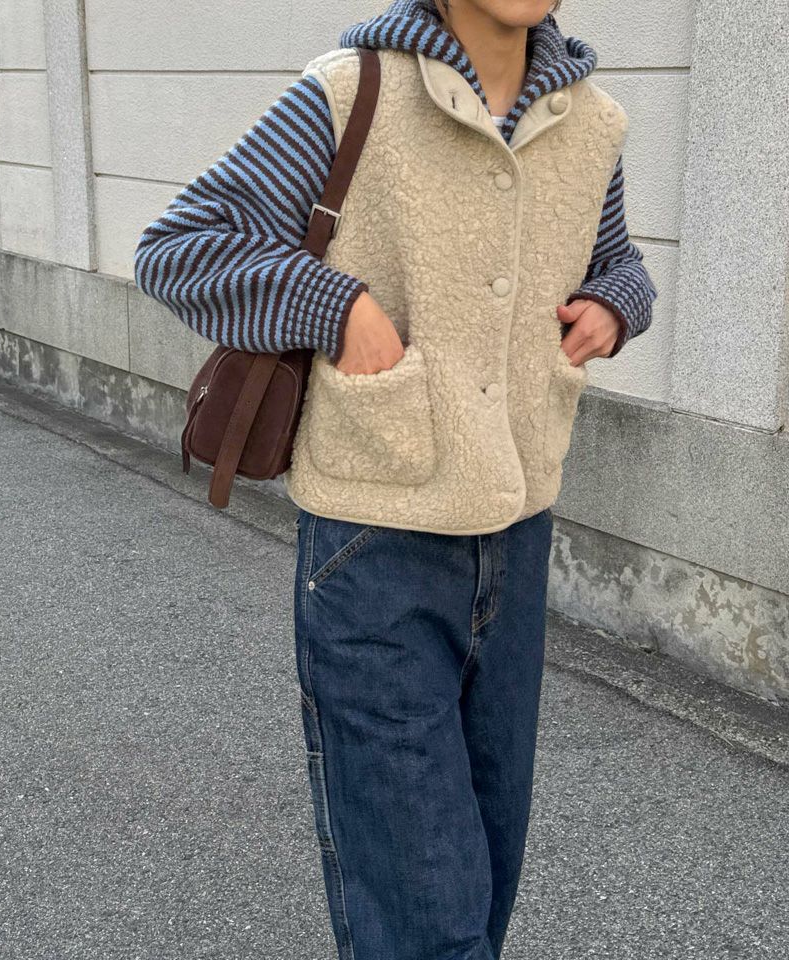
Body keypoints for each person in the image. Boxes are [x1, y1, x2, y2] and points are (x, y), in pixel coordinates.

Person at [133, 1, 657, 957]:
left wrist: (615, 306)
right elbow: (180, 246)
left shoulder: (594, 123)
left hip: (519, 533)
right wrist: (335, 305)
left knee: (485, 874)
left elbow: (616, 261)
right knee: (425, 917)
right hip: (374, 545)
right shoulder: (351, 92)